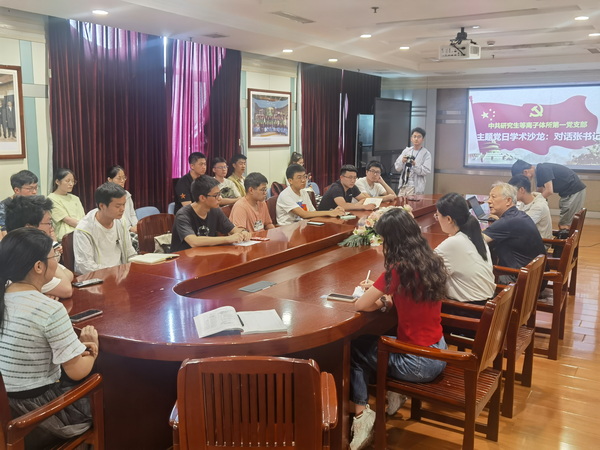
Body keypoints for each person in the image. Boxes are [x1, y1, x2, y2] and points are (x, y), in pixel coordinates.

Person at [349, 208, 448, 450]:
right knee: (382, 337)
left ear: (392, 240)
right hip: (438, 350)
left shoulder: (398, 269)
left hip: (418, 362)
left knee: (355, 348)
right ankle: (394, 395)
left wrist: (378, 298)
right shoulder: (431, 260)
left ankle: (361, 415)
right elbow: (410, 299)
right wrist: (385, 297)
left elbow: (360, 305)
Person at [0, 228, 99, 449]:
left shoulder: (5, 295)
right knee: (105, 391)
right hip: (34, 418)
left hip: (5, 410)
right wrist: (92, 348)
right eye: (54, 255)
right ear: (39, 266)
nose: (57, 260)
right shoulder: (49, 309)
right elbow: (77, 371)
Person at [5, 195, 74, 299]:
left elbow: (69, 274)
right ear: (30, 228)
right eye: (49, 223)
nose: (51, 228)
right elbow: (66, 289)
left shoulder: (14, 246)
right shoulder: (24, 257)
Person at [434, 193, 496, 303]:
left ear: (449, 219)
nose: (437, 219)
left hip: (469, 309)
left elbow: (427, 271)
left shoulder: (453, 243)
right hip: (487, 302)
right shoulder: (476, 236)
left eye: (437, 215)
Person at [483, 182, 546, 283]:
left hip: (520, 280)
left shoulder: (507, 222)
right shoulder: (519, 215)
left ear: (508, 201)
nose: (489, 201)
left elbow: (477, 241)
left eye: (493, 197)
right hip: (536, 277)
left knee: (474, 278)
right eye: (489, 197)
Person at [170, 175, 251, 251]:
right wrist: (227, 239)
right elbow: (194, 241)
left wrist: (243, 232)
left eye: (219, 194)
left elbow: (233, 229)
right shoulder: (183, 215)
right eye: (216, 195)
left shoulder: (215, 210)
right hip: (184, 258)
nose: (220, 198)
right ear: (202, 198)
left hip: (206, 254)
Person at [73, 182, 137, 274]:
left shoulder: (121, 222)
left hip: (121, 275)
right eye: (118, 206)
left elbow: (129, 253)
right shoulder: (84, 229)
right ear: (102, 206)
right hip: (99, 277)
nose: (122, 209)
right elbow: (85, 266)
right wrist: (114, 272)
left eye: (124, 204)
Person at [511, 159, 586, 232]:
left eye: (522, 177)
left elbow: (549, 191)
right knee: (564, 222)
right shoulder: (538, 172)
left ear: (525, 172)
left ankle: (567, 240)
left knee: (565, 224)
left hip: (574, 191)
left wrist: (533, 203)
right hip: (567, 193)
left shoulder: (542, 169)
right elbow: (539, 191)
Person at [276, 164, 344, 226]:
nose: (303, 180)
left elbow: (313, 212)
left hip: (303, 226)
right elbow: (303, 214)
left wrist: (333, 213)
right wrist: (330, 212)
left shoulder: (304, 192)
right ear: (290, 181)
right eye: (299, 177)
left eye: (304, 176)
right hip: (287, 229)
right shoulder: (285, 195)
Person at [508, 174, 553, 240]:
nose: (510, 195)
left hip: (540, 243)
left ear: (521, 190)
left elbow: (520, 225)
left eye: (512, 192)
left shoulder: (539, 206)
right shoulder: (525, 202)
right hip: (528, 239)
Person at [48, 168, 86, 241]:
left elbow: (83, 218)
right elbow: (66, 219)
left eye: (73, 181)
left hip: (81, 233)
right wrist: (86, 227)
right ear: (57, 182)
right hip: (66, 237)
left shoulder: (75, 198)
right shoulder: (51, 198)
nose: (71, 184)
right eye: (67, 181)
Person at [0, 170, 39, 238]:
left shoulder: (36, 203)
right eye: (30, 189)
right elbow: (4, 231)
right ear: (17, 190)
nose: (34, 192)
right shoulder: (4, 206)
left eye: (36, 188)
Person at [394, 127, 431, 194]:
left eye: (419, 137)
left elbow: (426, 171)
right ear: (411, 138)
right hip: (403, 185)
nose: (416, 139)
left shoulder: (426, 154)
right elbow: (397, 168)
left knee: (413, 201)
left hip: (415, 187)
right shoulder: (406, 151)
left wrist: (415, 165)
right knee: (400, 201)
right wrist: (402, 161)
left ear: (423, 139)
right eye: (414, 136)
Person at [107, 165, 138, 233]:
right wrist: (129, 228)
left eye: (124, 178)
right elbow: (113, 220)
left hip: (132, 229)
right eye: (119, 178)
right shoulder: (107, 198)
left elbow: (132, 214)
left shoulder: (127, 194)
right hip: (119, 231)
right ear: (110, 180)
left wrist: (136, 226)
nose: (122, 181)